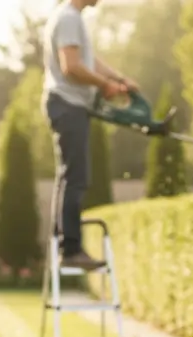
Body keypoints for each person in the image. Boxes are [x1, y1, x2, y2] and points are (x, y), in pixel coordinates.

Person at [42, 0, 138, 271]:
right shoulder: (69, 18)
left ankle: (63, 241)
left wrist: (119, 79)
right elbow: (71, 66)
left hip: (68, 103)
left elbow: (86, 60)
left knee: (69, 176)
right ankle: (70, 248)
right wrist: (105, 85)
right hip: (68, 103)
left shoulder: (68, 17)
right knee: (76, 177)